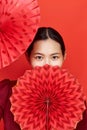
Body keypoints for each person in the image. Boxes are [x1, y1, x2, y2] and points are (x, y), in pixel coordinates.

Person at [0, 27, 86, 130]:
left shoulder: (75, 98)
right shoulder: (6, 92)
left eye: (54, 57)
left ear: (64, 56)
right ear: (28, 57)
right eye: (39, 57)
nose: (46, 64)